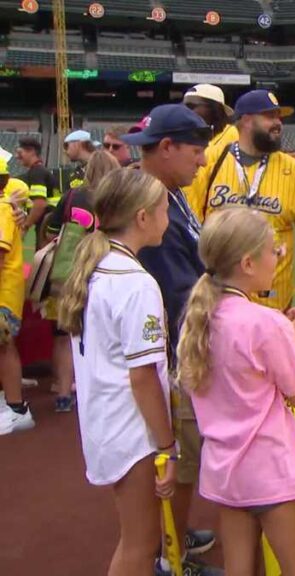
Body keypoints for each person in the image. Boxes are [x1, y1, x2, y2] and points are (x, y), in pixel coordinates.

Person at [177, 208, 295, 576]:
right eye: (274, 250)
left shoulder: (199, 319)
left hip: (225, 473)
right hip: (270, 472)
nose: (279, 257)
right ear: (247, 263)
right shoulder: (266, 323)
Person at [55, 168, 177, 575]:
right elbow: (143, 376)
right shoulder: (136, 283)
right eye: (164, 209)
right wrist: (167, 445)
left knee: (136, 540)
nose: (168, 218)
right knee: (141, 545)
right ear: (142, 217)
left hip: (106, 421)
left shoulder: (96, 265)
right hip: (132, 430)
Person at [119, 104, 222, 576]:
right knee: (179, 462)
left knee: (185, 461)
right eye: (196, 150)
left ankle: (173, 537)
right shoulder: (151, 204)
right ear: (166, 147)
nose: (203, 160)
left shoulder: (171, 194)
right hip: (174, 353)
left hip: (179, 347)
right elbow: (179, 294)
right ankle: (170, 557)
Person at [188, 90, 295, 312]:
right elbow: (192, 224)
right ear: (246, 120)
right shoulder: (211, 161)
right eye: (270, 116)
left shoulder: (292, 168)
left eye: (279, 117)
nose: (278, 123)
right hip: (220, 299)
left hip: (274, 300)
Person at [41, 150, 121, 413]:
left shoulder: (72, 196)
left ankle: (63, 394)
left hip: (70, 273)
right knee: (106, 336)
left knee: (64, 335)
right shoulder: (119, 198)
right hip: (107, 271)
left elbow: (51, 232)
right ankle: (101, 395)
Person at [0, 176, 30, 435]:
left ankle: (16, 408)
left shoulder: (2, 209)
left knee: (4, 346)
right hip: (6, 292)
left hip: (3, 294)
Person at [15, 137, 60, 248]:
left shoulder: (37, 172)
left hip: (46, 223)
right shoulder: (41, 171)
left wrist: (25, 226)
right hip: (51, 223)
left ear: (31, 151)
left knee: (42, 256)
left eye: (20, 153)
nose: (17, 157)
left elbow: (40, 204)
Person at [182, 83, 238, 151]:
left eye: (191, 106)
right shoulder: (185, 135)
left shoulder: (233, 134)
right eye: (183, 107)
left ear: (214, 108)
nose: (185, 111)